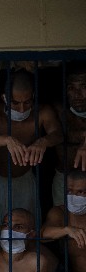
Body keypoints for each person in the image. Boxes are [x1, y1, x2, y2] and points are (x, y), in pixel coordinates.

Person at [0, 70, 63, 239]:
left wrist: (43, 141)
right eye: (15, 103)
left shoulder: (43, 111)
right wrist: (7, 140)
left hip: (24, 181)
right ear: (4, 97)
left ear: (33, 96)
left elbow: (58, 134)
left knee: (25, 233)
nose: (22, 109)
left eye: (27, 102)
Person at [40, 170, 86, 272]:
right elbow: (42, 235)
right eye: (69, 191)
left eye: (80, 192)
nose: (73, 197)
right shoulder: (60, 213)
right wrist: (66, 230)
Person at [50, 63, 86, 208]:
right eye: (71, 88)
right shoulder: (58, 111)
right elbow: (57, 134)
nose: (77, 94)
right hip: (64, 179)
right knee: (61, 218)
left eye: (83, 86)